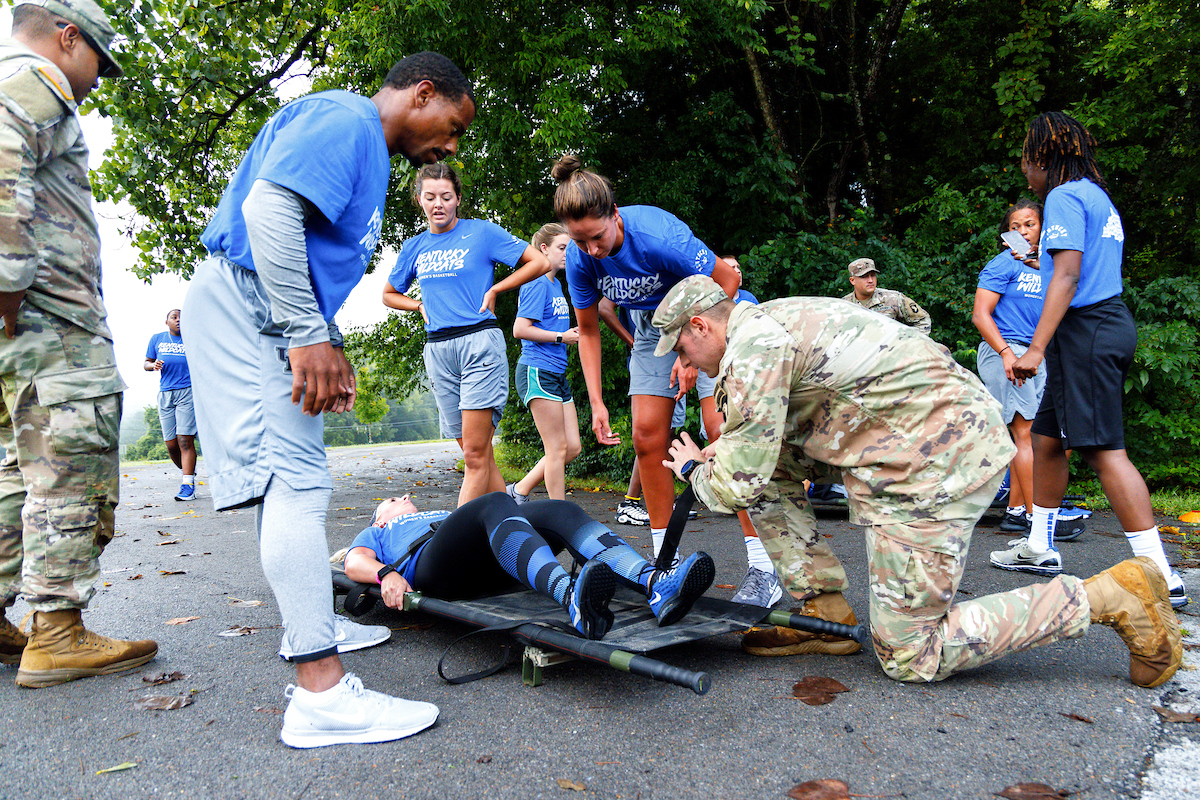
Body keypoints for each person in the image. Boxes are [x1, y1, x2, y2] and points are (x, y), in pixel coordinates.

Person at [656, 275, 1180, 688]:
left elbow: (736, 485)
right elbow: (759, 450)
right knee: (763, 467)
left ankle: (1109, 595)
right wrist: (722, 459)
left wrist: (693, 470)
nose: (683, 364)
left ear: (701, 326)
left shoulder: (755, 347)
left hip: (935, 465)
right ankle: (824, 611)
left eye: (680, 350)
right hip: (922, 438)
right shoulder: (772, 319)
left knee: (910, 653)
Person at [182, 51, 475, 748]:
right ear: (423, 93)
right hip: (252, 304)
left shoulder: (366, 153)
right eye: (452, 125)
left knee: (293, 477)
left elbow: (310, 251)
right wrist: (307, 332)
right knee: (295, 481)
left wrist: (328, 338)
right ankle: (319, 692)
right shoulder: (348, 119)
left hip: (268, 309)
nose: (451, 146)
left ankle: (313, 623)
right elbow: (269, 210)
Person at [0, 0, 159, 687]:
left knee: (18, 472)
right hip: (50, 325)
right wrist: (8, 285)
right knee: (70, 462)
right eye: (98, 59)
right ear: (68, 36)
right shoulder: (30, 81)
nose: (98, 78)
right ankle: (57, 632)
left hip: (25, 329)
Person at [1000, 112, 1188, 608]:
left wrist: (1035, 347)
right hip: (1101, 325)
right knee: (1044, 441)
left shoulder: (1061, 196)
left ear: (1045, 157)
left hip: (1087, 330)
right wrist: (1036, 262)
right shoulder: (1095, 195)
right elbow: (1070, 268)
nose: (1024, 171)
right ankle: (1039, 545)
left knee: (1103, 450)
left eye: (1026, 160)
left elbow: (1068, 279)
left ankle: (1160, 574)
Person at [553, 155, 741, 565]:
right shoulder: (582, 259)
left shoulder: (657, 235)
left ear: (615, 215)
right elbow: (587, 332)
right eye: (579, 241)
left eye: (597, 238)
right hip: (652, 326)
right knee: (646, 437)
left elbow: (728, 281)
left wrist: (690, 357)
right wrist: (597, 402)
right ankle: (665, 563)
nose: (591, 250)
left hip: (708, 314)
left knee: (721, 432)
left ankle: (762, 565)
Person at [383, 163, 549, 506]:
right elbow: (388, 293)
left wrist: (497, 290)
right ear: (420, 200)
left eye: (446, 196)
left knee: (474, 457)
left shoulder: (482, 233)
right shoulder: (415, 247)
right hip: (438, 350)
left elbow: (538, 262)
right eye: (430, 197)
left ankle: (452, 548)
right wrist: (416, 305)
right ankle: (512, 528)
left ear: (457, 198)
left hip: (478, 344)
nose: (438, 204)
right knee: (480, 455)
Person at [343, 493, 716, 638]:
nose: (406, 497)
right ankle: (571, 597)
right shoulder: (380, 532)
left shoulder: (438, 513)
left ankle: (655, 584)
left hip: (490, 561)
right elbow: (353, 561)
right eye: (394, 498)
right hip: (433, 569)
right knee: (492, 503)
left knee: (560, 509)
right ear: (380, 518)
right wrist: (385, 573)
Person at [971, 200, 1046, 533]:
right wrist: (1005, 354)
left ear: (1043, 227)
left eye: (1029, 224)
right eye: (1016, 226)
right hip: (1005, 350)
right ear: (1006, 234)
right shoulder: (1003, 264)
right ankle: (1037, 517)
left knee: (1028, 436)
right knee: (1025, 432)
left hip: (1035, 353)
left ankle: (1016, 509)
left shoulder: (1049, 269)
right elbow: (980, 314)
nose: (1023, 232)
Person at [504, 223, 581, 502]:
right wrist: (561, 336)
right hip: (538, 370)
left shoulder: (555, 282)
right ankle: (559, 514)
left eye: (570, 248)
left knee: (571, 447)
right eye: (562, 248)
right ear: (544, 249)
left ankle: (519, 490)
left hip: (557, 373)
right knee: (557, 448)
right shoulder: (536, 281)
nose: (567, 254)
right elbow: (520, 329)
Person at [144, 309, 197, 501]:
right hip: (166, 393)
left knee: (184, 440)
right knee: (171, 444)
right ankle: (188, 471)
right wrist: (154, 365)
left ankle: (187, 484)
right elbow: (146, 363)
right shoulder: (157, 339)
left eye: (182, 317)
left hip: (188, 392)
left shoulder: (192, 339)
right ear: (166, 321)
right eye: (174, 317)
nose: (178, 320)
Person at [841, 257, 931, 335]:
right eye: (864, 276)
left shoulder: (893, 298)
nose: (870, 280)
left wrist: (909, 343)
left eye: (873, 275)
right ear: (852, 280)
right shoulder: (843, 306)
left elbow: (923, 320)